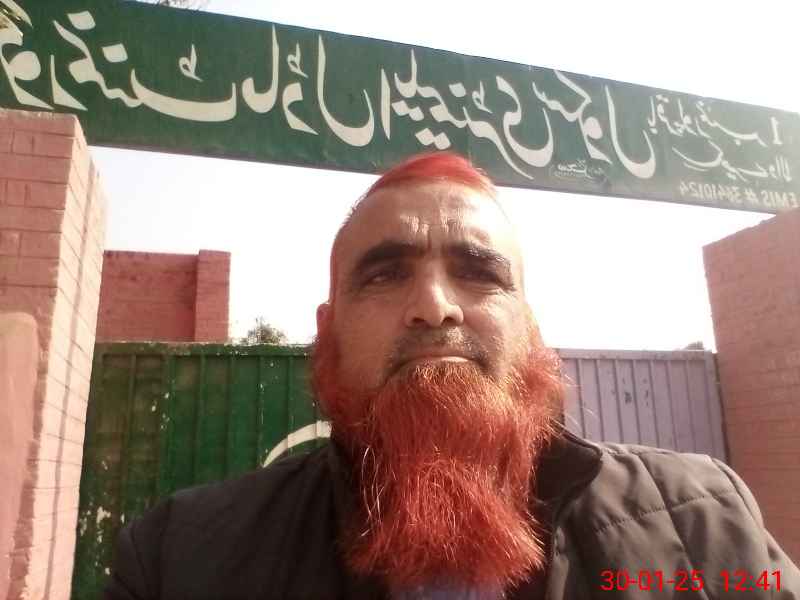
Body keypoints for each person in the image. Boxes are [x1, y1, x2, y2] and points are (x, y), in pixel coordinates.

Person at [105, 152, 799, 599]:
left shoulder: (702, 519)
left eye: (478, 272)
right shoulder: (179, 557)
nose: (434, 306)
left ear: (529, 328)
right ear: (328, 331)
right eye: (385, 274)